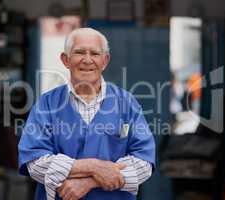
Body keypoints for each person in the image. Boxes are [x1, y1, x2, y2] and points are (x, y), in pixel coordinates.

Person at [18, 28, 155, 200]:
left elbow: (144, 163)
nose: (87, 60)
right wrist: (93, 166)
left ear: (104, 61)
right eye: (79, 52)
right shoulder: (46, 104)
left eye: (95, 53)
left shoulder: (127, 104)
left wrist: (89, 182)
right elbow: (35, 162)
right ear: (66, 60)